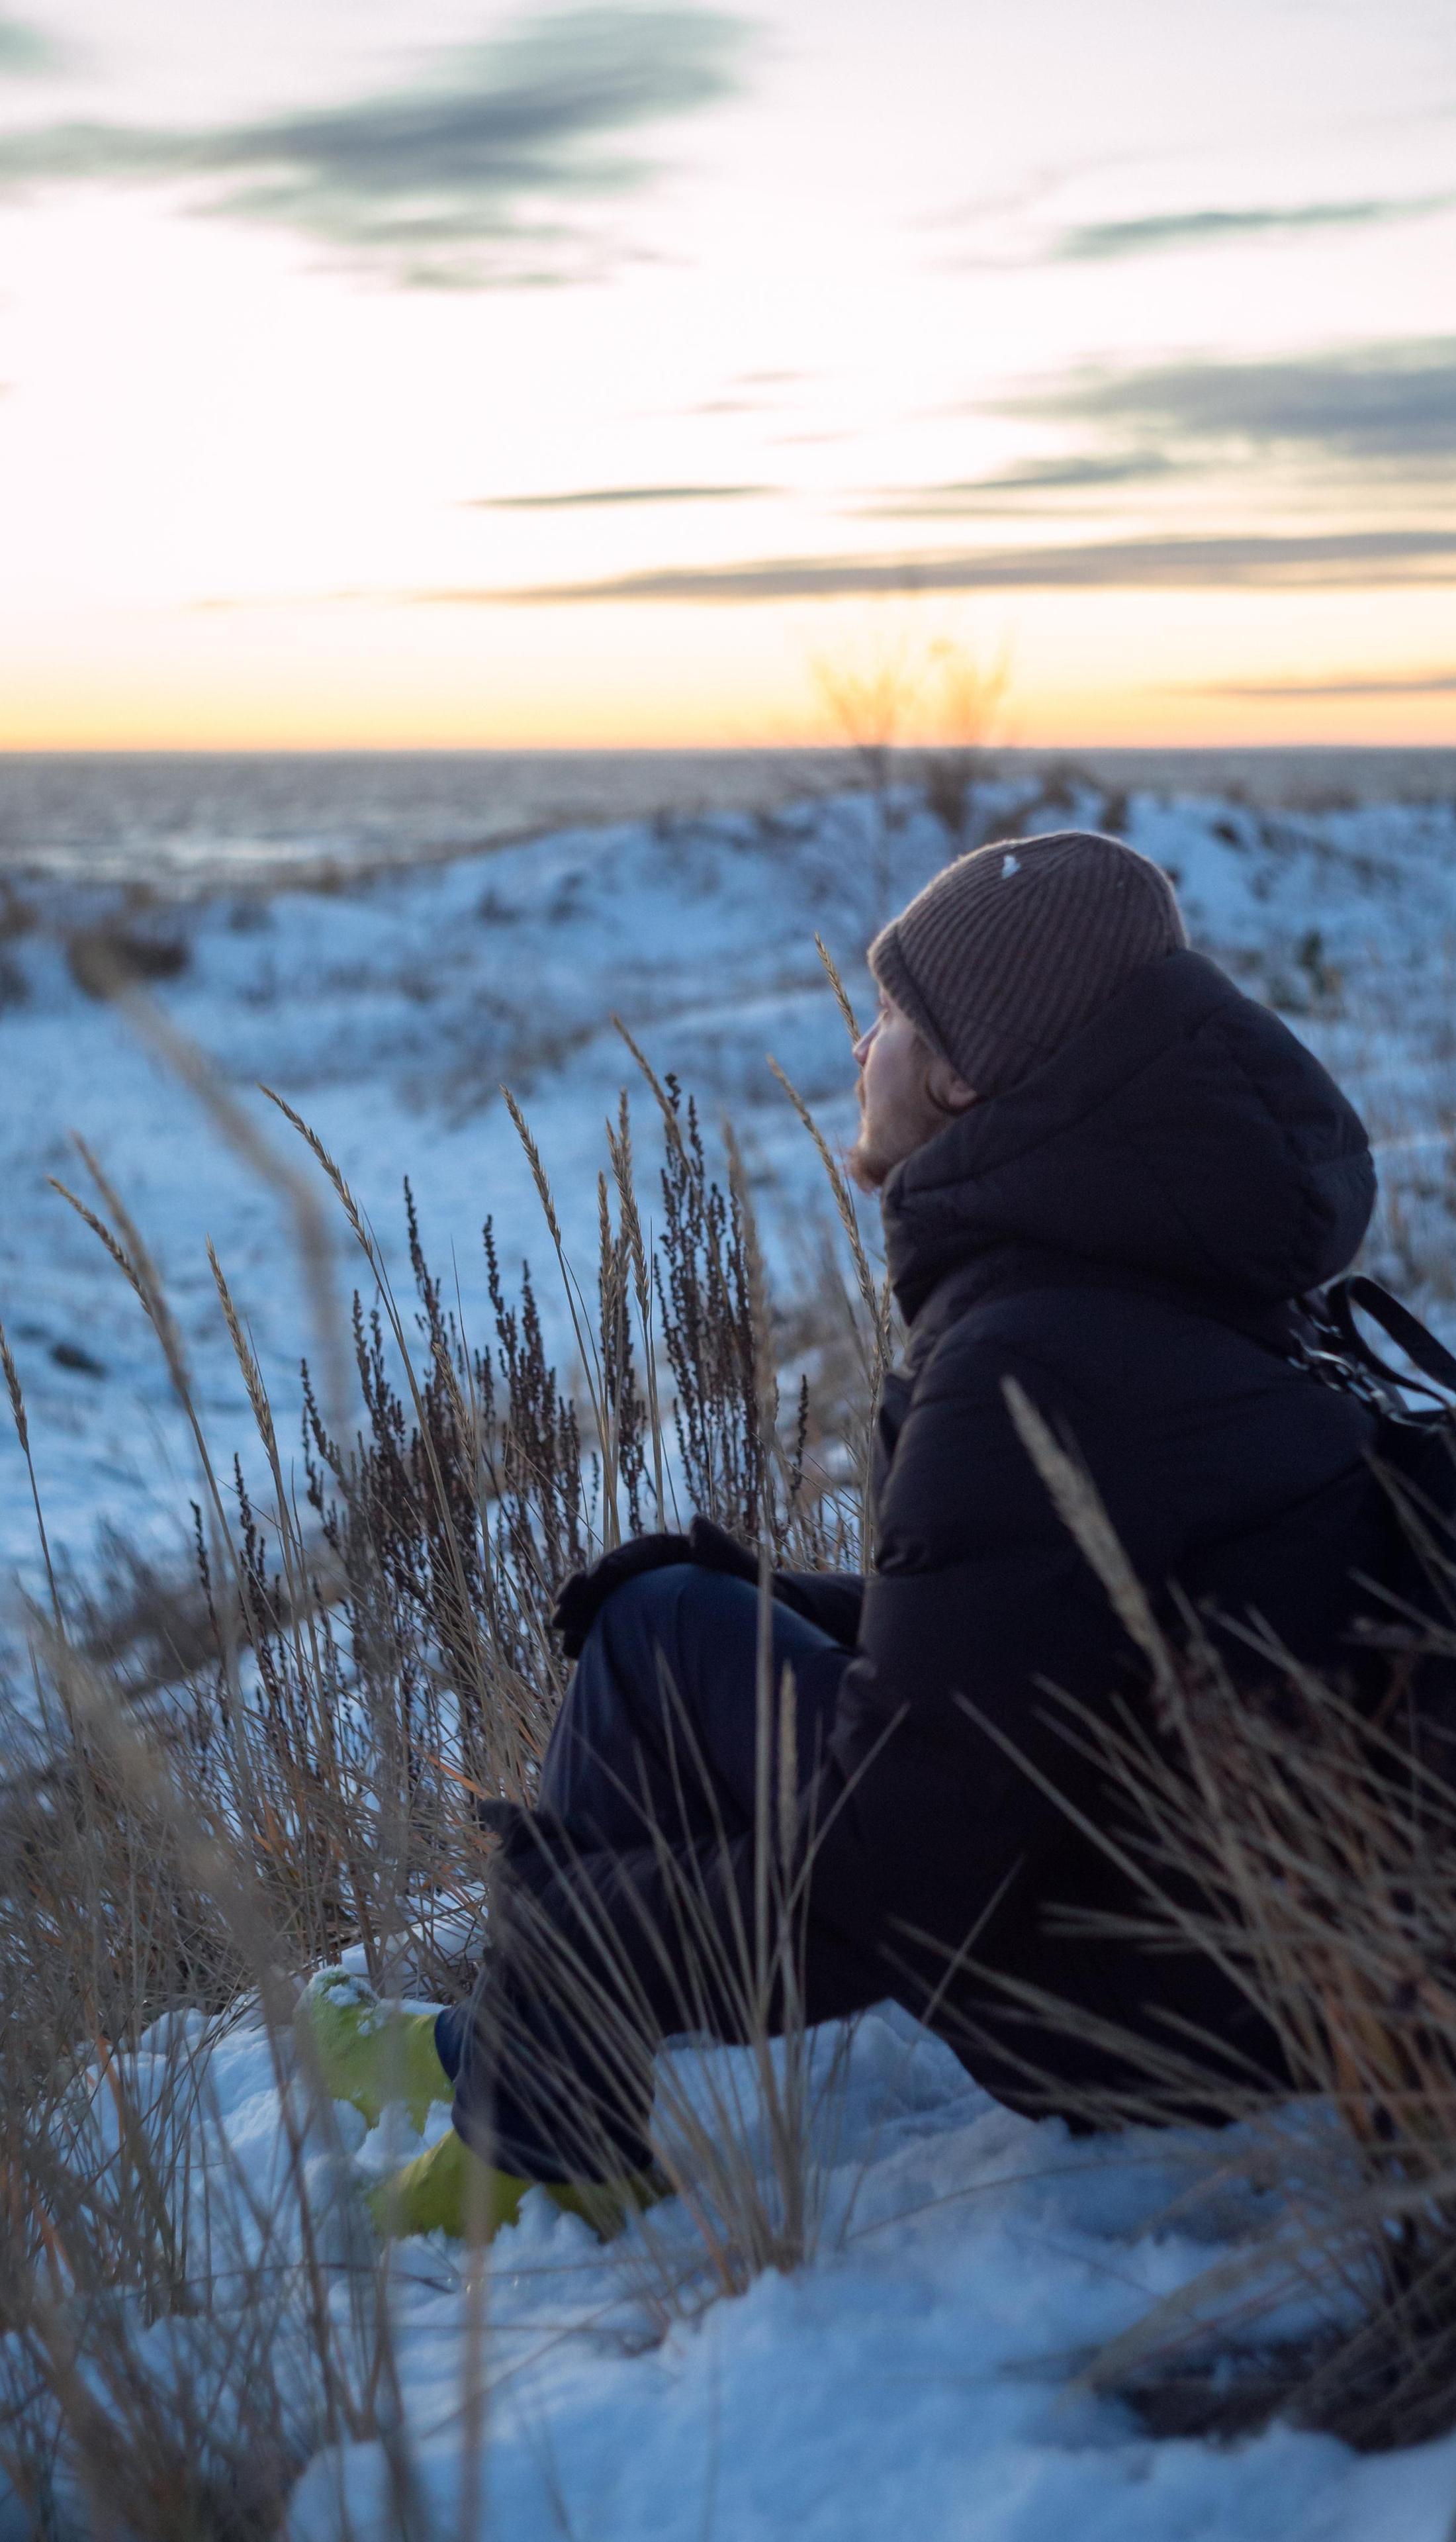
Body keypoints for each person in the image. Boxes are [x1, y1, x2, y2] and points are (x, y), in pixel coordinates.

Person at [301, 828, 1385, 2237]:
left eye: (891, 1015)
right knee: (672, 1617)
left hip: (1150, 2011)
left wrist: (572, 1932)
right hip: (1214, 1916)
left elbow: (905, 1867)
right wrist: (777, 1597)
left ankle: (529, 2144)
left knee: (653, 1637)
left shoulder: (1030, 1354)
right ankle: (505, 2066)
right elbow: (1072, 1639)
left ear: (963, 1078)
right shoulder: (1158, 1260)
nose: (861, 1046)